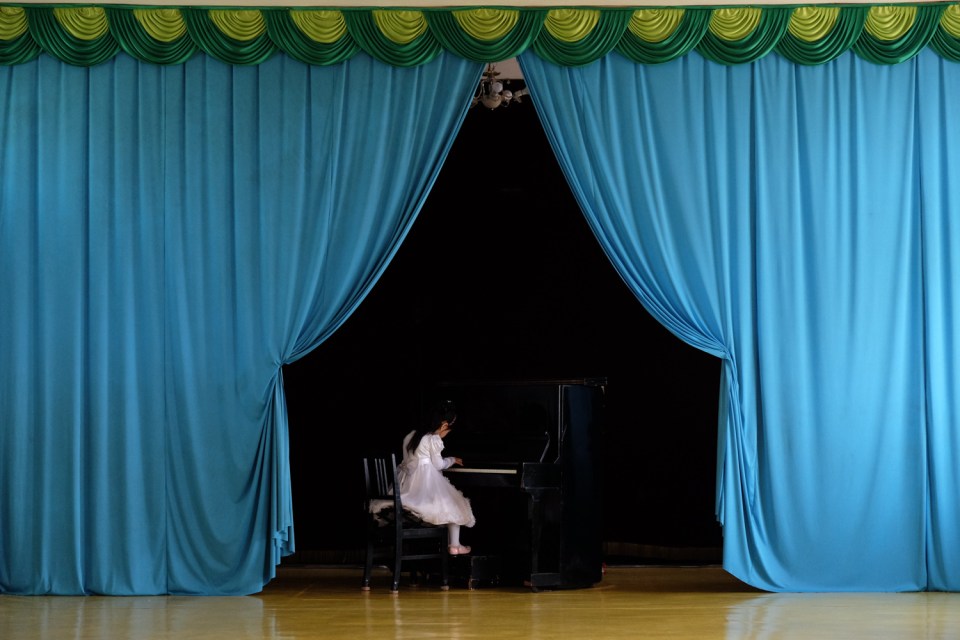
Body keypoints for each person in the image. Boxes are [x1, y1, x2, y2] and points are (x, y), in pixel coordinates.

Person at [398, 400, 475, 555]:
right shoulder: (433, 439)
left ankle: (451, 546)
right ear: (444, 425)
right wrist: (452, 460)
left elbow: (407, 461)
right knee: (454, 504)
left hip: (405, 487)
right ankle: (455, 545)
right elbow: (438, 465)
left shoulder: (411, 436)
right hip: (425, 488)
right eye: (448, 431)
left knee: (449, 505)